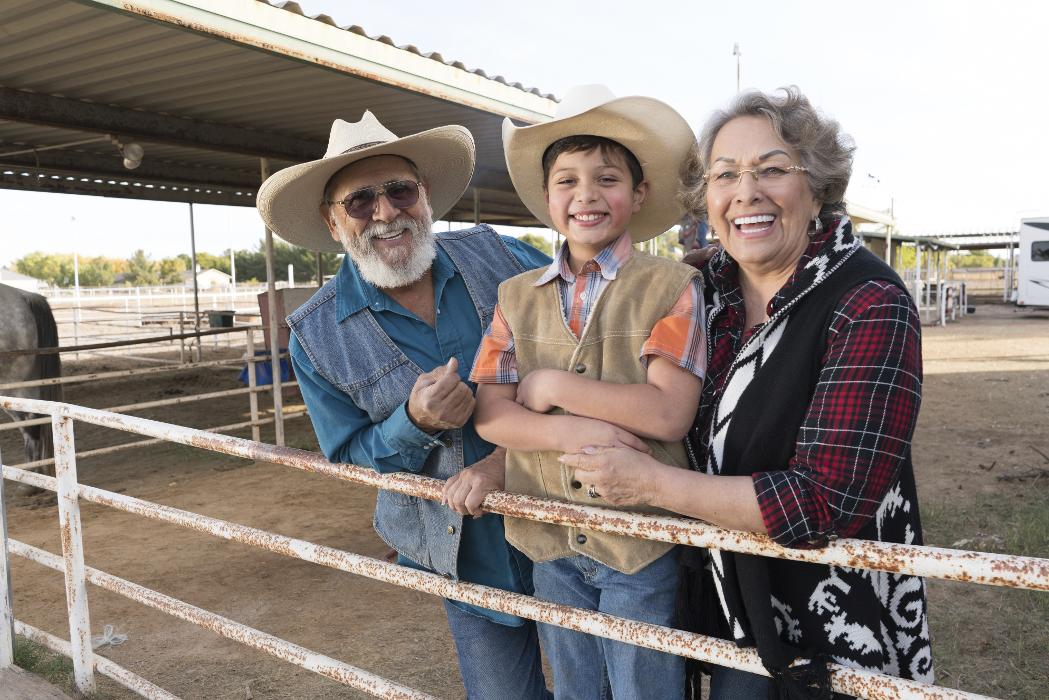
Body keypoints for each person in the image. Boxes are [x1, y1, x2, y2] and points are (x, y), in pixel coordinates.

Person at [558, 87, 934, 699]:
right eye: (725, 174)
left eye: (773, 170)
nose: (746, 192)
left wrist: (650, 484)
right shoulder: (701, 286)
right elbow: (600, 368)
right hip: (727, 604)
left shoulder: (869, 302)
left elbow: (824, 501)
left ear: (818, 189)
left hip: (834, 619)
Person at [256, 112, 553, 699]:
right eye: (361, 201)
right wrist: (412, 424)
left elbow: (580, 353)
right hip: (464, 557)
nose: (386, 212)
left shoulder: (505, 258)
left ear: (425, 198)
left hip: (564, 530)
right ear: (333, 222)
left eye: (400, 190)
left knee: (595, 687)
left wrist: (502, 463)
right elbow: (349, 456)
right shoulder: (317, 336)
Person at [460, 85, 705, 700]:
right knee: (575, 688)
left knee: (643, 687)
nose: (587, 195)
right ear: (547, 198)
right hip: (548, 538)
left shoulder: (673, 286)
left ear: (639, 193)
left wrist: (549, 384)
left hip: (638, 542)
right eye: (567, 180)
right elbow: (491, 414)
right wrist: (566, 430)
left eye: (608, 178)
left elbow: (669, 413)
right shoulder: (515, 296)